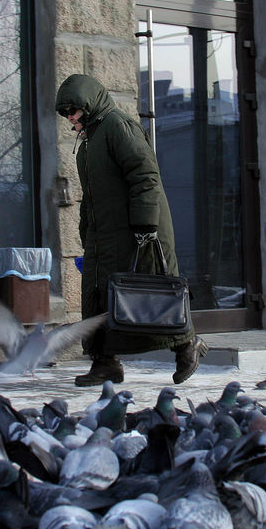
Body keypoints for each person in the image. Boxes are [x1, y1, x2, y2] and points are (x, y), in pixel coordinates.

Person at [56, 74, 207, 387]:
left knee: (153, 292)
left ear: (89, 103)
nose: (70, 117)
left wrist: (145, 225)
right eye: (65, 113)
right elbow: (93, 195)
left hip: (137, 230)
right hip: (105, 235)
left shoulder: (117, 126)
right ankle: (105, 363)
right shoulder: (88, 141)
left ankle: (186, 345)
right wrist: (87, 232)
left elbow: (145, 175)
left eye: (73, 109)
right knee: (99, 297)